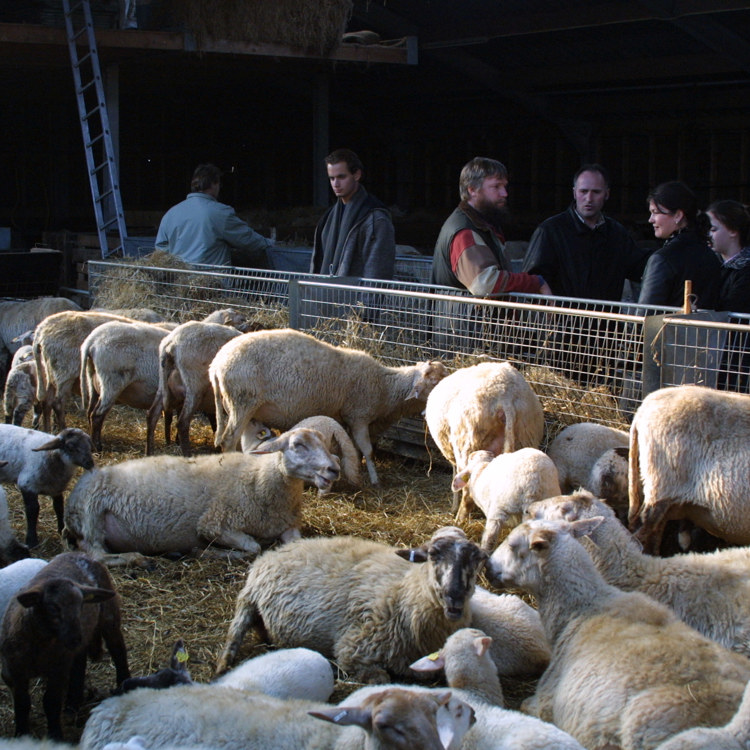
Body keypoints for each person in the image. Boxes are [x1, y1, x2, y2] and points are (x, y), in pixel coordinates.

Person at [522, 164, 651, 301]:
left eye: (596, 192)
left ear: (607, 194)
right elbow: (532, 280)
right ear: (574, 192)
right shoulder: (550, 231)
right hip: (563, 320)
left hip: (606, 320)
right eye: (583, 191)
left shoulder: (617, 233)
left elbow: (640, 268)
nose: (589, 199)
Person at [432, 157, 551, 297]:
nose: (504, 193)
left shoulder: (483, 224)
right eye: (496, 187)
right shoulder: (465, 231)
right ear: (472, 190)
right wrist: (535, 282)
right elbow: (484, 283)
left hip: (468, 317)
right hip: (463, 318)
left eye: (504, 186)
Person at [155, 163, 274, 268]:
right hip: (212, 286)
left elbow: (161, 248)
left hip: (180, 285)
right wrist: (268, 243)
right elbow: (246, 238)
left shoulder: (171, 214)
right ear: (214, 184)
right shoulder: (220, 213)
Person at [309, 149, 395, 279]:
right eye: (332, 178)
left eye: (341, 177)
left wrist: (366, 300)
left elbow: (377, 272)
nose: (335, 184)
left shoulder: (375, 219)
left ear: (356, 175)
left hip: (355, 297)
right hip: (325, 296)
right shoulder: (329, 217)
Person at [638, 181, 721, 309]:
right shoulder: (712, 256)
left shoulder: (662, 259)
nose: (651, 219)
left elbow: (645, 315)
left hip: (666, 329)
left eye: (655, 212)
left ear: (678, 215)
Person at [707, 200, 750, 313]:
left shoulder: (745, 271)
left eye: (713, 229)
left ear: (733, 231)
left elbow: (732, 310)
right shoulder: (708, 263)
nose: (708, 234)